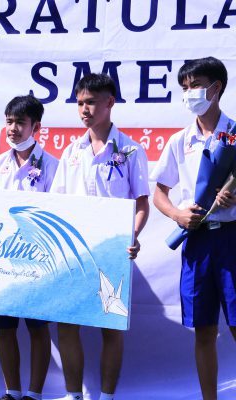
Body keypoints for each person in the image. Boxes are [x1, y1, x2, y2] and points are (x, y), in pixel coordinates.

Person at [50, 73, 150, 400]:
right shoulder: (71, 152)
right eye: (80, 103)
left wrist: (132, 236)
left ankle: (106, 396)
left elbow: (141, 204)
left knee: (110, 328)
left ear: (110, 102)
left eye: (91, 102)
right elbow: (57, 203)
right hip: (74, 254)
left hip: (112, 253)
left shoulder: (131, 150)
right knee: (67, 325)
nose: (84, 109)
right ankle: (73, 395)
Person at [151, 56, 236, 400]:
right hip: (196, 243)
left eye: (196, 86)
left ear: (216, 88)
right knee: (203, 330)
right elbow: (159, 193)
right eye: (185, 88)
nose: (189, 94)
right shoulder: (179, 140)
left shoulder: (234, 134)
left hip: (231, 240)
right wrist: (177, 215)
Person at [0, 95, 58, 400]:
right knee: (4, 328)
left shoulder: (52, 165)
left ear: (36, 127)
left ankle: (34, 393)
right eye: (9, 121)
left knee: (37, 328)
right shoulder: (0, 164)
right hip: (3, 260)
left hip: (38, 261)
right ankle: (12, 391)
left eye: (20, 122)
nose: (13, 128)